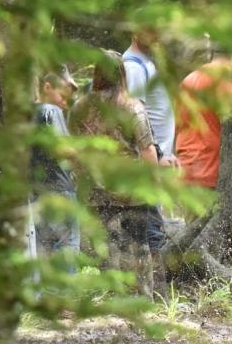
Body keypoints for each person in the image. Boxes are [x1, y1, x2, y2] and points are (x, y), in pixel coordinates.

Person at [69, 50, 165, 294]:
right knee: (138, 249)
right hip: (132, 193)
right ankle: (143, 301)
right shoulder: (132, 107)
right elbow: (147, 152)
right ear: (122, 73)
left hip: (96, 193)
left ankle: (114, 300)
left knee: (108, 250)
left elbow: (76, 154)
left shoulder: (80, 108)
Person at [31, 70, 79, 270]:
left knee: (43, 248)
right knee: (66, 247)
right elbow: (64, 150)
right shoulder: (49, 111)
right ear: (47, 87)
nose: (64, 104)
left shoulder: (26, 115)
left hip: (37, 192)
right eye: (62, 97)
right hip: (59, 191)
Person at [174, 57, 232, 189]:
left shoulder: (188, 80)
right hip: (208, 168)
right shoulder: (222, 81)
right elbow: (229, 124)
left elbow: (176, 124)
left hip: (184, 165)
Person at [123, 29, 177, 166]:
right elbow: (135, 119)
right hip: (152, 160)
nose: (156, 35)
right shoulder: (133, 67)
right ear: (135, 33)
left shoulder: (145, 61)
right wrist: (158, 157)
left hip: (160, 155)